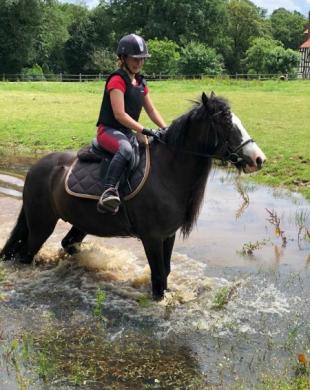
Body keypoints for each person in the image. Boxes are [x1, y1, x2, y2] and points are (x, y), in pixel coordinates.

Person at [96, 33, 167, 214]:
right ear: (123, 58)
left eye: (142, 59)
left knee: (149, 148)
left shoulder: (141, 83)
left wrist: (166, 129)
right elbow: (119, 115)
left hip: (127, 132)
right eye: (135, 59)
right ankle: (109, 190)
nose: (139, 63)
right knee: (126, 150)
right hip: (109, 131)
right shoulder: (117, 80)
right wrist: (143, 129)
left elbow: (151, 111)